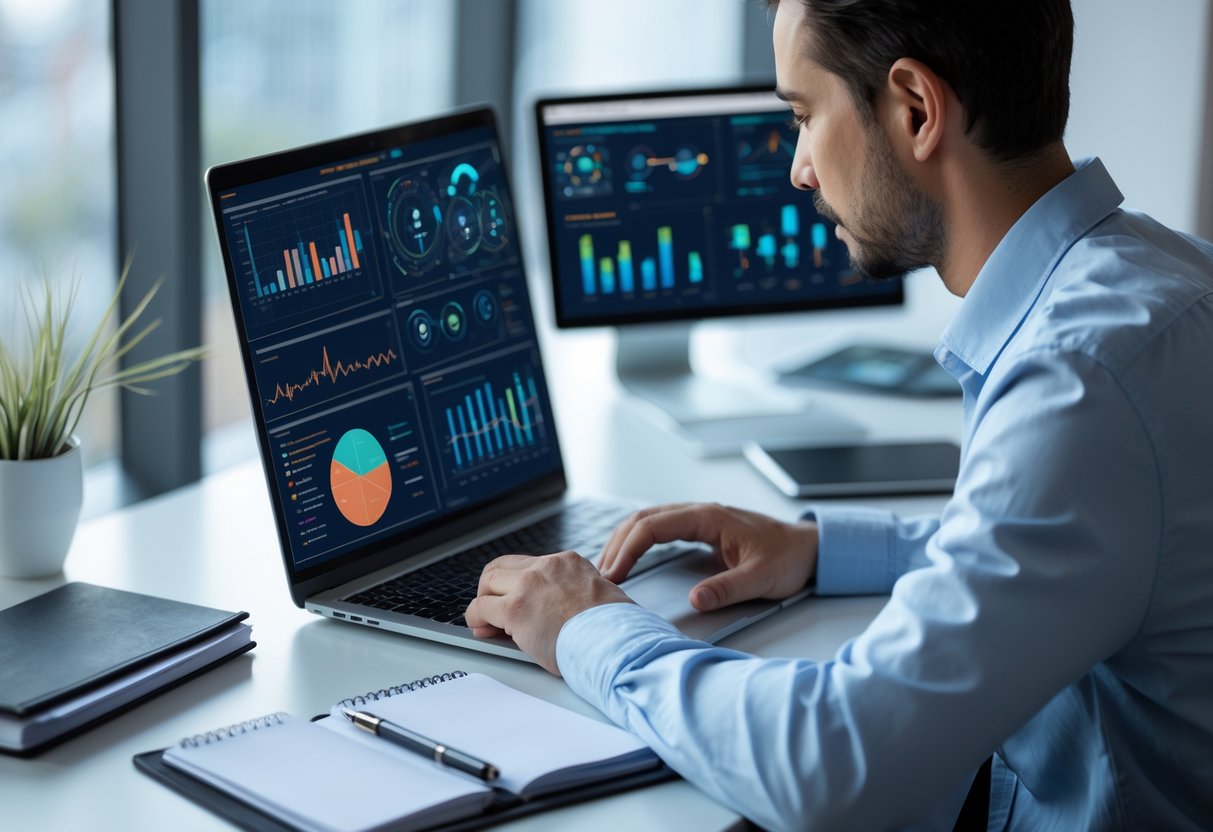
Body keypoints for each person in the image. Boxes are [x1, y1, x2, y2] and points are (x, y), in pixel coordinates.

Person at [465, 0, 1213, 828]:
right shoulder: (1162, 279)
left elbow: (834, 768)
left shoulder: (1077, 383)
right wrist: (822, 548)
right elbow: (1082, 544)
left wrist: (590, 627)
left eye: (803, 114)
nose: (798, 169)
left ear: (915, 110)